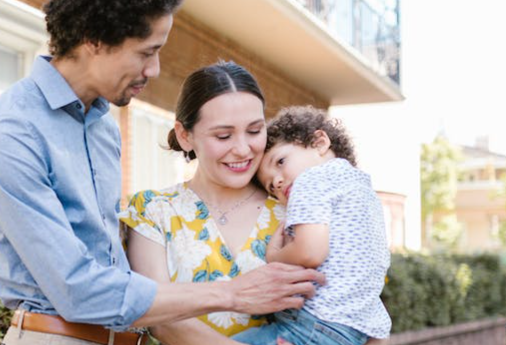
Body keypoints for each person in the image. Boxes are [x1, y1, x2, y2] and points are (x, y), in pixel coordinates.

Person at [0, 0, 324, 343]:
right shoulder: (15, 130)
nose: (155, 69)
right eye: (146, 52)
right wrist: (232, 293)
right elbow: (75, 289)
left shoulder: (103, 127)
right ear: (92, 39)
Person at [120, 61, 302, 345]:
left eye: (254, 131)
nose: (243, 149)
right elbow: (158, 317)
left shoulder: (292, 211)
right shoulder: (154, 210)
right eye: (223, 135)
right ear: (185, 135)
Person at [232, 106, 391, 345]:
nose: (277, 181)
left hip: (314, 324)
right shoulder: (363, 189)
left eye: (281, 161)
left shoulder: (310, 179)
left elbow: (310, 252)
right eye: (270, 187)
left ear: (319, 142)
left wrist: (274, 255)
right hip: (357, 330)